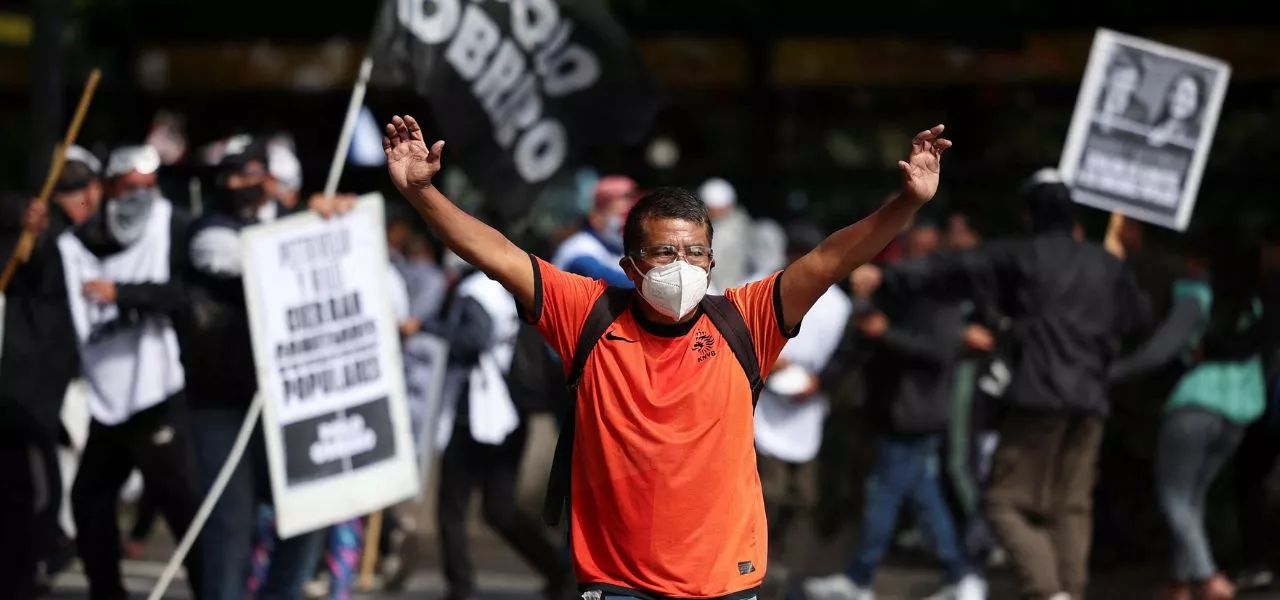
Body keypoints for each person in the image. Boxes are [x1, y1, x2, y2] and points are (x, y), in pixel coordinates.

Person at [382, 113, 950, 600]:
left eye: (695, 251)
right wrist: (421, 193)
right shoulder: (587, 312)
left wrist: (906, 203)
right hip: (615, 578)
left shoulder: (747, 320)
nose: (682, 264)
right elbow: (498, 254)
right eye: (663, 251)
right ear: (630, 265)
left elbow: (831, 259)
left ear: (712, 261)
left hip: (724, 577)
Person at [849, 168, 1151, 600]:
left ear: (1029, 217)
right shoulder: (1107, 266)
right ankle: (1070, 590)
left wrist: (886, 276)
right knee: (1072, 505)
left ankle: (1048, 591)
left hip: (1039, 397)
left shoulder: (1023, 255)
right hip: (1091, 401)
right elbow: (1138, 318)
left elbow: (954, 266)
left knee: (1002, 502)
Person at [183, 135, 352, 600]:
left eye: (250, 173)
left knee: (309, 511)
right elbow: (246, 257)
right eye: (231, 175)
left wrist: (338, 223)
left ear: (269, 179)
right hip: (222, 401)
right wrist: (309, 226)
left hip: (288, 400)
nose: (240, 183)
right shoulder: (208, 231)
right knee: (231, 524)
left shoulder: (293, 222)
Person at [804, 220, 987, 600]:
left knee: (884, 492)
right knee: (924, 493)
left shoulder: (941, 295)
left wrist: (886, 333)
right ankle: (961, 576)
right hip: (897, 408)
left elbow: (938, 352)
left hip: (917, 412)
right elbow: (861, 340)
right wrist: (826, 381)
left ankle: (860, 579)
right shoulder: (898, 291)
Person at [59, 144, 203, 600]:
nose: (140, 196)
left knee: (184, 507)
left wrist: (123, 293)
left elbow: (186, 293)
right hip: (109, 399)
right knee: (89, 501)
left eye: (148, 186)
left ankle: (217, 588)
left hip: (157, 393)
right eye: (130, 188)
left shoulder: (173, 225)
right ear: (110, 187)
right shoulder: (79, 240)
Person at [1111, 236, 1267, 600]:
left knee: (1175, 497)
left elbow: (1158, 353)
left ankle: (1208, 577)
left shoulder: (1196, 296)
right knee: (1193, 498)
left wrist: (1111, 372)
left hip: (1194, 407)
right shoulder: (1255, 305)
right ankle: (1178, 584)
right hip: (1240, 413)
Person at [428, 256, 572, 600]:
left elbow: (475, 339)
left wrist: (425, 326)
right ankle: (557, 572)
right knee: (500, 509)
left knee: (452, 505)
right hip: (511, 412)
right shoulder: (508, 288)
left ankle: (460, 586)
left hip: (475, 414)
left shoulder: (473, 289)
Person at [752, 222, 852, 599]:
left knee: (803, 499)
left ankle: (786, 570)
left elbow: (846, 355)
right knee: (767, 493)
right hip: (764, 407)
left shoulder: (838, 303)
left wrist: (820, 382)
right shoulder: (763, 288)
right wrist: (770, 362)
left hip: (808, 409)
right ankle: (753, 565)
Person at [551, 174, 637, 287]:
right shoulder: (579, 249)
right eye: (621, 216)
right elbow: (622, 283)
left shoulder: (619, 249)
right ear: (596, 217)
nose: (627, 225)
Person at [699, 177, 754, 292]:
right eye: (712, 209)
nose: (716, 213)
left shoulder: (741, 226)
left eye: (720, 209)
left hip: (738, 288)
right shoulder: (697, 228)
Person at [1147, 72, 1207, 149]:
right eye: (1175, 90)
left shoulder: (1198, 139)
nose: (1177, 98)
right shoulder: (1154, 124)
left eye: (1187, 94)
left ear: (1198, 102)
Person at [1097, 51, 1149, 132]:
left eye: (1129, 83)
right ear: (1108, 78)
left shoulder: (1139, 112)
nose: (1122, 87)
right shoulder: (1093, 99)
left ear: (1136, 87)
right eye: (1119, 79)